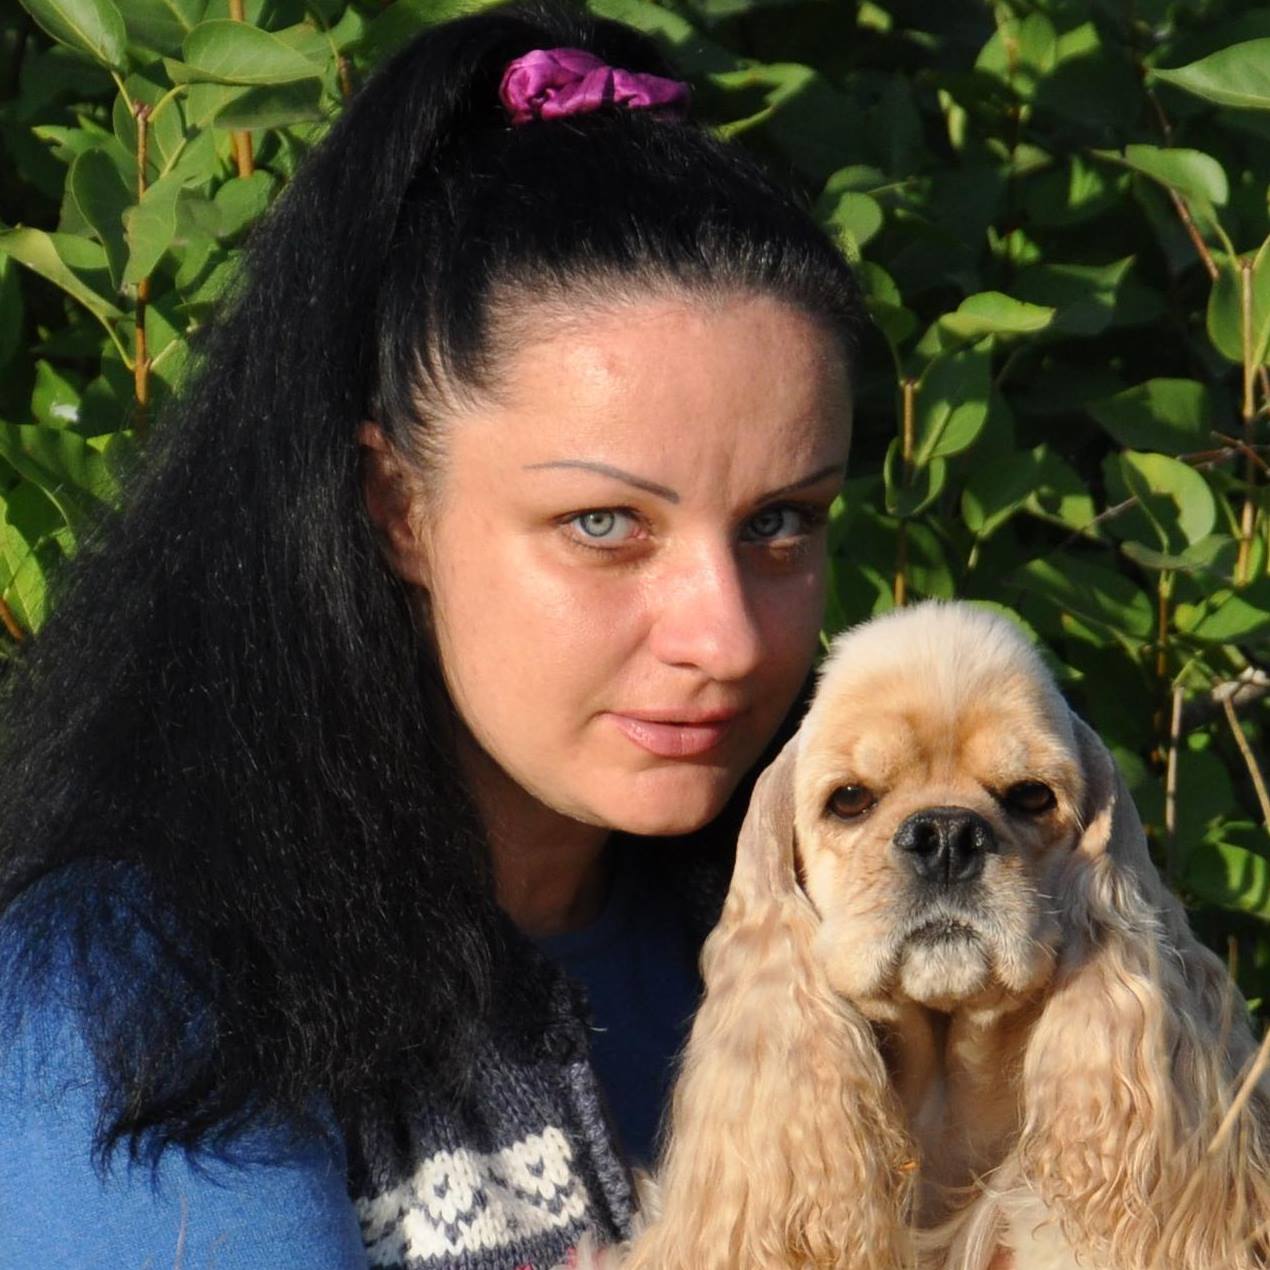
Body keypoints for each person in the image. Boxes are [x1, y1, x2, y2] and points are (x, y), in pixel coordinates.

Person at [0, 1, 862, 1265]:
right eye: (605, 524)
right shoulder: (146, 997)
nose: (725, 637)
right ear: (397, 506)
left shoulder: (842, 920)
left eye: (781, 521)